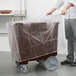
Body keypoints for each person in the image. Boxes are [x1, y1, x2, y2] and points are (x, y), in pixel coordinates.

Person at [46, 0, 76, 66]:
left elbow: (72, 2)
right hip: (67, 18)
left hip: (75, 18)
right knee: (69, 38)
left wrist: (65, 8)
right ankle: (70, 59)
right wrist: (51, 11)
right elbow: (58, 3)